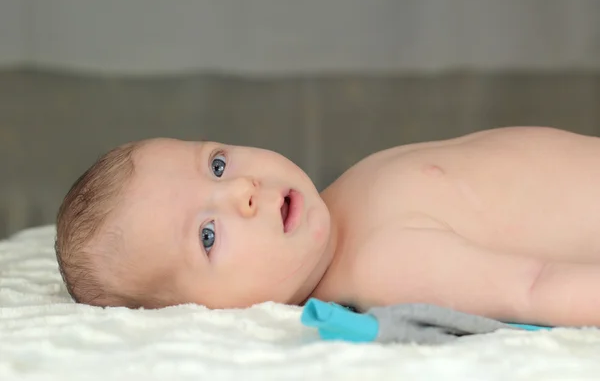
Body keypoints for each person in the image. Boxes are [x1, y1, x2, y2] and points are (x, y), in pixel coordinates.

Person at [55, 126, 600, 327]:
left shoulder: (342, 202)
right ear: (200, 311)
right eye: (207, 235)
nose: (240, 191)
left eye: (216, 165)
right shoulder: (384, 265)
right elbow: (535, 286)